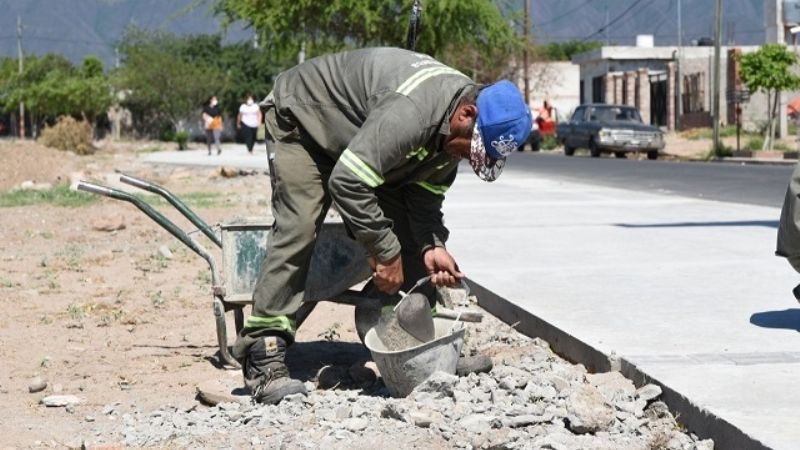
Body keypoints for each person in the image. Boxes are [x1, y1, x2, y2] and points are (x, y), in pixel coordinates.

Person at [232, 47, 532, 404]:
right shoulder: (413, 113)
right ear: (467, 114)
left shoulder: (452, 130)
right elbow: (347, 182)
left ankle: (421, 340)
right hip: (304, 122)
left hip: (360, 137)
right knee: (299, 225)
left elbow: (423, 200)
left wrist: (432, 244)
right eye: (472, 150)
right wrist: (383, 251)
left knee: (408, 230)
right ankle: (264, 351)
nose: (467, 157)